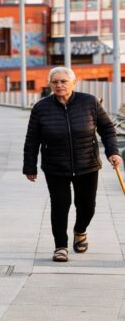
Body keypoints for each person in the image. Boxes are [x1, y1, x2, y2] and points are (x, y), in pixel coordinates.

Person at [23, 67, 123, 263]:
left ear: (73, 83)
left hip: (87, 164)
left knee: (87, 206)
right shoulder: (41, 108)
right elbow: (32, 139)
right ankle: (60, 246)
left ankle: (80, 230)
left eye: (63, 81)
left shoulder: (89, 102)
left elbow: (107, 129)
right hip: (55, 166)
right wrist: (30, 166)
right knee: (60, 206)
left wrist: (113, 152)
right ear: (50, 85)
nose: (59, 85)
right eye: (55, 82)